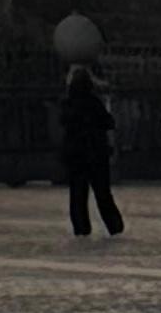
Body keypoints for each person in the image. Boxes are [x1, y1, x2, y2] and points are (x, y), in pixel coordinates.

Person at [54, 52, 125, 241]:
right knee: (103, 194)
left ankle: (81, 228)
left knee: (78, 194)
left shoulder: (68, 104)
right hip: (96, 153)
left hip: (76, 154)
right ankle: (114, 225)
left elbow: (63, 124)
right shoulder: (94, 103)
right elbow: (109, 123)